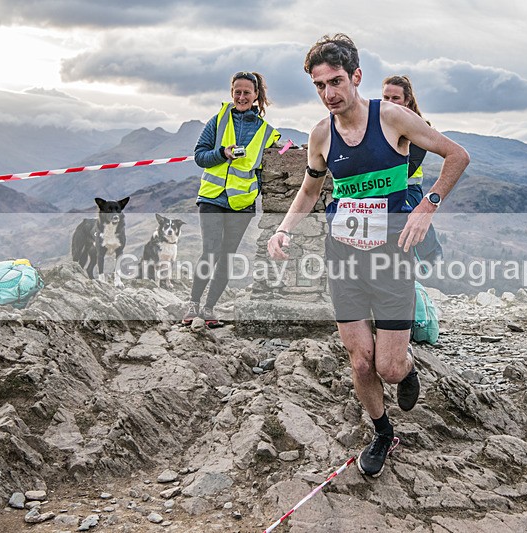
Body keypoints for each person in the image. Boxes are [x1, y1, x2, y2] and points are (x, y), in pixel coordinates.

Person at [267, 34, 469, 477]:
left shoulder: (392, 118)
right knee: (360, 361)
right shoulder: (320, 134)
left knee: (389, 368)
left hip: (391, 258)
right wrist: (283, 229)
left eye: (336, 81)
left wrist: (426, 207)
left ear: (356, 77)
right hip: (343, 256)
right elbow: (309, 189)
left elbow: (456, 155)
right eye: (319, 86)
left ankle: (407, 368)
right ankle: (382, 433)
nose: (329, 94)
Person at [183, 71, 280, 327]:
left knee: (227, 256)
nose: (241, 96)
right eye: (237, 91)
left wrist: (292, 149)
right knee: (211, 251)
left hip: (242, 204)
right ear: (231, 93)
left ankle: (209, 308)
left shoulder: (267, 131)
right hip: (212, 198)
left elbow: (280, 153)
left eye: (247, 92)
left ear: (256, 95)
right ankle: (193, 304)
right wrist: (222, 153)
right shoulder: (218, 120)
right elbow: (199, 156)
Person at [382, 75, 443, 267]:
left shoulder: (420, 127)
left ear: (407, 100)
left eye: (396, 98)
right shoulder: (378, 125)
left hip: (408, 191)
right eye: (386, 98)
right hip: (382, 188)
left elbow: (409, 168)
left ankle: (424, 264)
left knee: (411, 239)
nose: (390, 103)